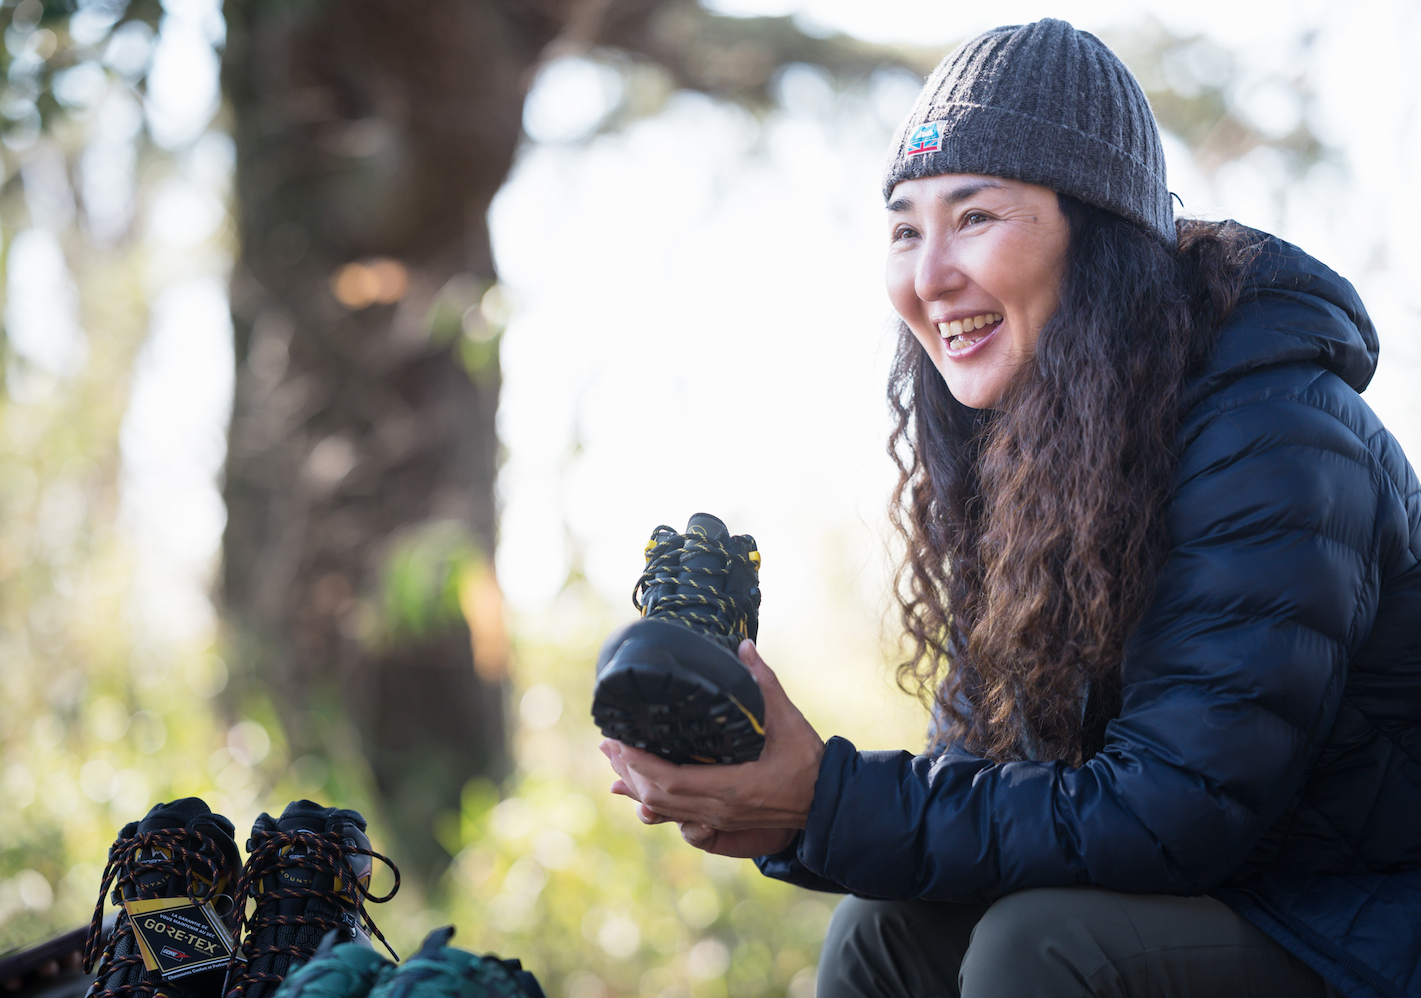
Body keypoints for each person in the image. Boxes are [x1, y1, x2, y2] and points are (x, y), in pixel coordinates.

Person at [599, 18, 1421, 998]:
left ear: (1102, 240)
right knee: (885, 931)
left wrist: (823, 798)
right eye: (906, 228)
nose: (929, 274)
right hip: (1235, 893)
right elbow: (989, 779)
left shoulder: (1274, 433)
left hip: (1358, 926)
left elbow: (1179, 812)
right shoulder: (1048, 450)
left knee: (1041, 946)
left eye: (975, 217)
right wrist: (778, 803)